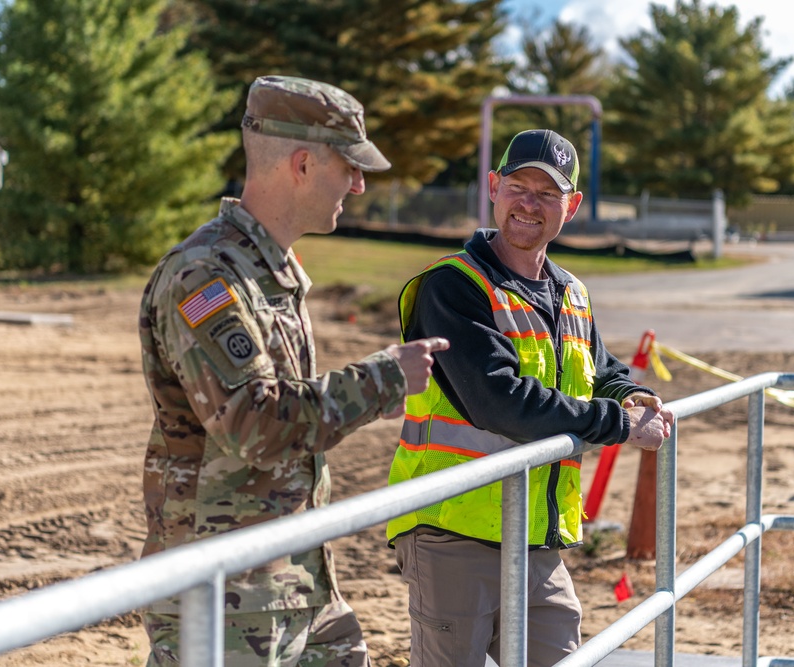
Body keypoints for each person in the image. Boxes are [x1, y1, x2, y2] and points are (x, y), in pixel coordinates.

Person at [138, 75, 448, 667]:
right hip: (223, 598)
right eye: (349, 167)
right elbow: (252, 422)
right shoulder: (205, 276)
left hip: (292, 584)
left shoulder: (268, 271)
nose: (359, 184)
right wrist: (384, 378)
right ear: (302, 165)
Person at [386, 128, 675, 667]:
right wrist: (618, 425)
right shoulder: (453, 285)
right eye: (519, 186)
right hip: (453, 532)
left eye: (548, 194)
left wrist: (632, 393)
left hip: (536, 538)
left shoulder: (571, 292)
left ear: (573, 206)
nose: (529, 204)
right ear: (493, 187)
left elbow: (597, 367)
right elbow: (499, 400)